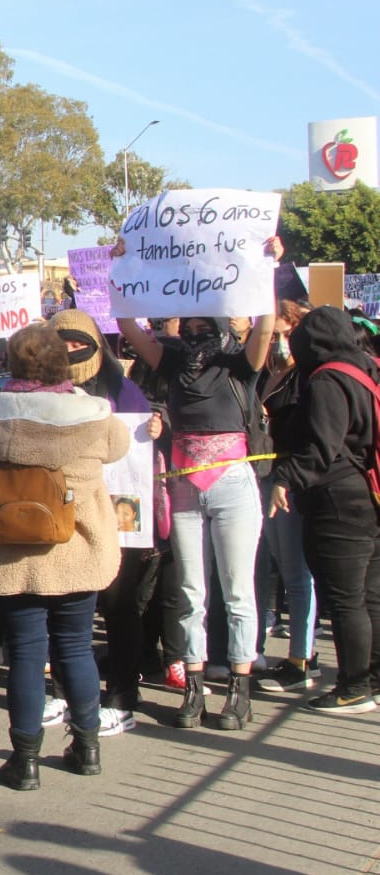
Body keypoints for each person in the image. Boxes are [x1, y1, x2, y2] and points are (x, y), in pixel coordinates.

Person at [0, 324, 130, 790]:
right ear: (63, 365)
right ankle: (87, 747)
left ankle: (24, 761)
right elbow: (121, 447)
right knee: (76, 647)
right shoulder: (95, 416)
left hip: (11, 555)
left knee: (26, 654)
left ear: (11, 363)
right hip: (78, 551)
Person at [116, 257, 276, 731]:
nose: (199, 327)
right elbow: (127, 322)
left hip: (231, 484)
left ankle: (239, 693)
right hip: (184, 484)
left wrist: (264, 268)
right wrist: (122, 266)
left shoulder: (239, 362)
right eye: (193, 320)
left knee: (237, 590)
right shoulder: (170, 359)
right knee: (189, 591)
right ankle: (193, 688)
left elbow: (264, 331)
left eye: (210, 320)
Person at [48, 308, 160, 738]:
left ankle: (121, 698)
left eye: (81, 343)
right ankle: (63, 691)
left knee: (118, 608)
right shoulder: (39, 393)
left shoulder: (124, 391)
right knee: (63, 606)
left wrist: (156, 425)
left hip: (116, 520)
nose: (73, 352)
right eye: (63, 345)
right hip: (60, 517)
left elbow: (139, 445)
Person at [270, 306, 380, 714]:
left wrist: (285, 478)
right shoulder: (365, 370)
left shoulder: (327, 380)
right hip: (368, 493)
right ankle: (371, 677)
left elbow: (321, 447)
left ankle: (353, 687)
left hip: (336, 498)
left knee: (347, 598)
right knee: (369, 596)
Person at [255, 300, 321, 696]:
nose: (279, 342)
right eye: (274, 334)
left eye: (285, 334)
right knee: (272, 566)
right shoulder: (270, 375)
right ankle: (277, 649)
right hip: (265, 477)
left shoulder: (304, 379)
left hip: (287, 481)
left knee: (296, 573)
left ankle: (301, 657)